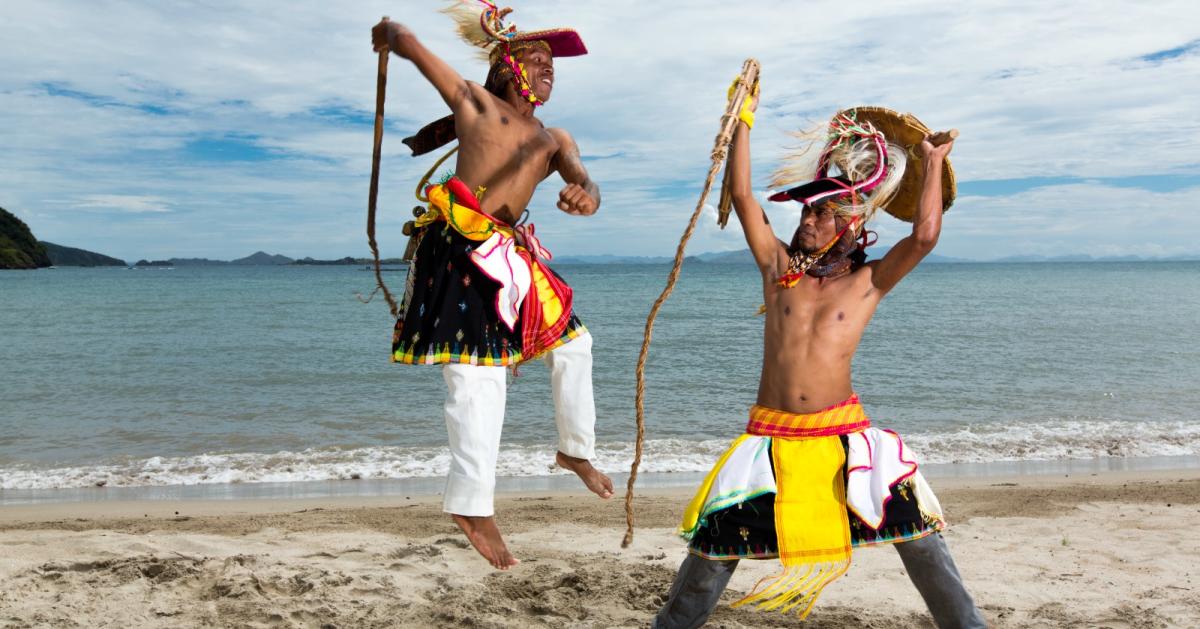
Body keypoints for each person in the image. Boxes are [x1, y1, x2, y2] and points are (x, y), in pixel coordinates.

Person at [653, 84, 985, 627]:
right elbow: (742, 197)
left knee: (922, 540)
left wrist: (931, 161)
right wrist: (744, 121)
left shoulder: (868, 283)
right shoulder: (778, 271)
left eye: (823, 214)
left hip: (846, 440)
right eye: (807, 212)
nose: (807, 222)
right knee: (712, 552)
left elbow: (923, 237)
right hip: (769, 441)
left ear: (851, 225)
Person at [371, 1, 612, 571]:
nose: (549, 70)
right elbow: (415, 50)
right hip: (460, 247)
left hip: (508, 250)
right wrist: (394, 34)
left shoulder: (554, 136)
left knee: (575, 346)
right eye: (537, 59)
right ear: (508, 68)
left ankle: (574, 451)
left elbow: (585, 176)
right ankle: (472, 505)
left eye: (553, 64)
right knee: (477, 377)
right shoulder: (475, 105)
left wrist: (588, 195)